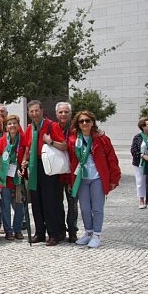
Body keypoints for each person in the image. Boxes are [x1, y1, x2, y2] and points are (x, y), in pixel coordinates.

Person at [69, 111, 121, 248]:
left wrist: (114, 178)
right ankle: (89, 233)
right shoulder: (74, 140)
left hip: (97, 177)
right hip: (81, 178)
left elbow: (112, 159)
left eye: (87, 120)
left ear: (93, 122)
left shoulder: (102, 139)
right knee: (85, 208)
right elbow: (70, 161)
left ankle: (97, 234)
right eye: (81, 121)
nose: (85, 123)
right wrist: (70, 181)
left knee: (97, 208)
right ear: (78, 124)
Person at [21, 100, 67, 246]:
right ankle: (39, 232)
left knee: (49, 201)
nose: (34, 113)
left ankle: (53, 234)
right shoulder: (29, 128)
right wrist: (24, 161)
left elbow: (64, 145)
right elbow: (28, 147)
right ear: (28, 114)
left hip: (48, 166)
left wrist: (50, 141)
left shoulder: (51, 125)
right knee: (36, 201)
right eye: (31, 111)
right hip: (34, 166)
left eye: (36, 110)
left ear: (42, 111)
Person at [0, 115, 26, 241]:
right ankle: (8, 230)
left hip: (18, 177)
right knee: (5, 205)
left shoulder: (23, 139)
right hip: (5, 178)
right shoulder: (2, 140)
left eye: (14, 123)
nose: (12, 126)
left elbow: (26, 155)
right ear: (6, 127)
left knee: (19, 205)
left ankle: (17, 229)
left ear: (18, 125)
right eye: (9, 124)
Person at [55, 101, 79, 242]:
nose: (63, 114)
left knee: (72, 203)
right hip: (57, 172)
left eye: (66, 112)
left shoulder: (77, 129)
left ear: (71, 114)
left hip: (73, 172)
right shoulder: (52, 128)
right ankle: (61, 229)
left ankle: (72, 230)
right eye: (61, 112)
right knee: (57, 202)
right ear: (57, 114)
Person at [130, 117, 148, 209]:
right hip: (139, 162)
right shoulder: (137, 137)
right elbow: (133, 150)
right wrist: (142, 155)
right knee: (140, 181)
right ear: (143, 127)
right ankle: (141, 199)